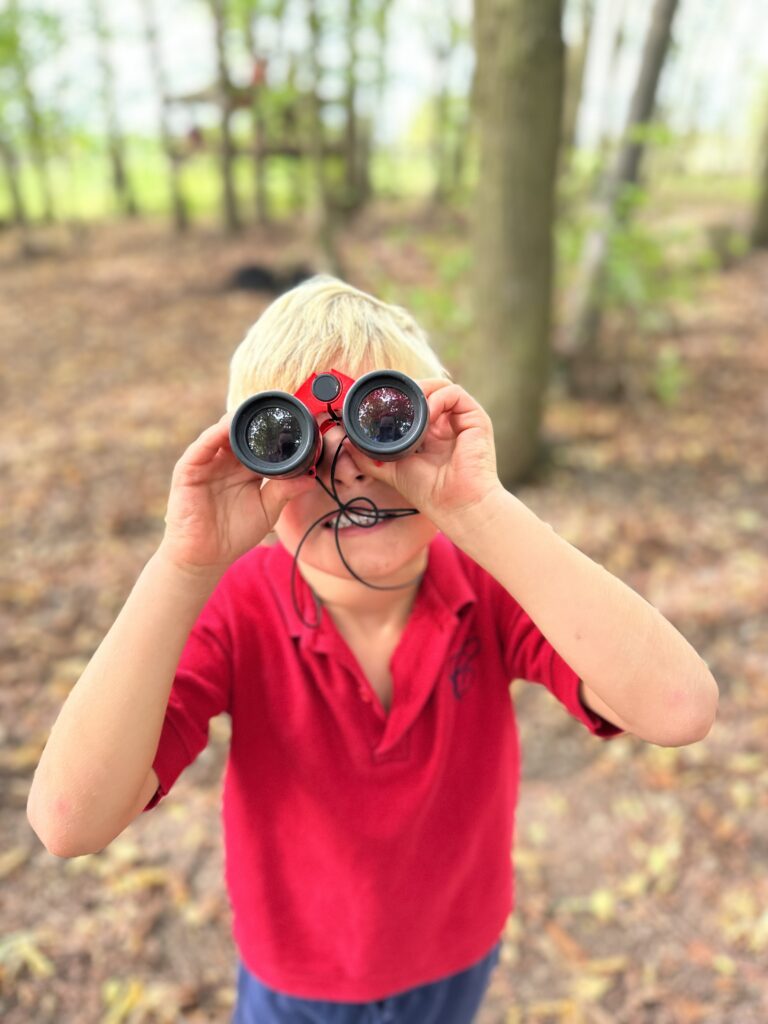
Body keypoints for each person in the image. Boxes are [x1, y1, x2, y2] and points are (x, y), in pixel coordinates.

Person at [27, 276, 719, 1024]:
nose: (349, 468)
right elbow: (70, 820)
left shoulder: (490, 587)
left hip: (456, 952)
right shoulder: (235, 610)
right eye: (291, 445)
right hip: (296, 977)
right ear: (251, 461)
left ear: (435, 423)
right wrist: (184, 564)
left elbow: (679, 707)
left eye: (385, 424)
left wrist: (478, 509)